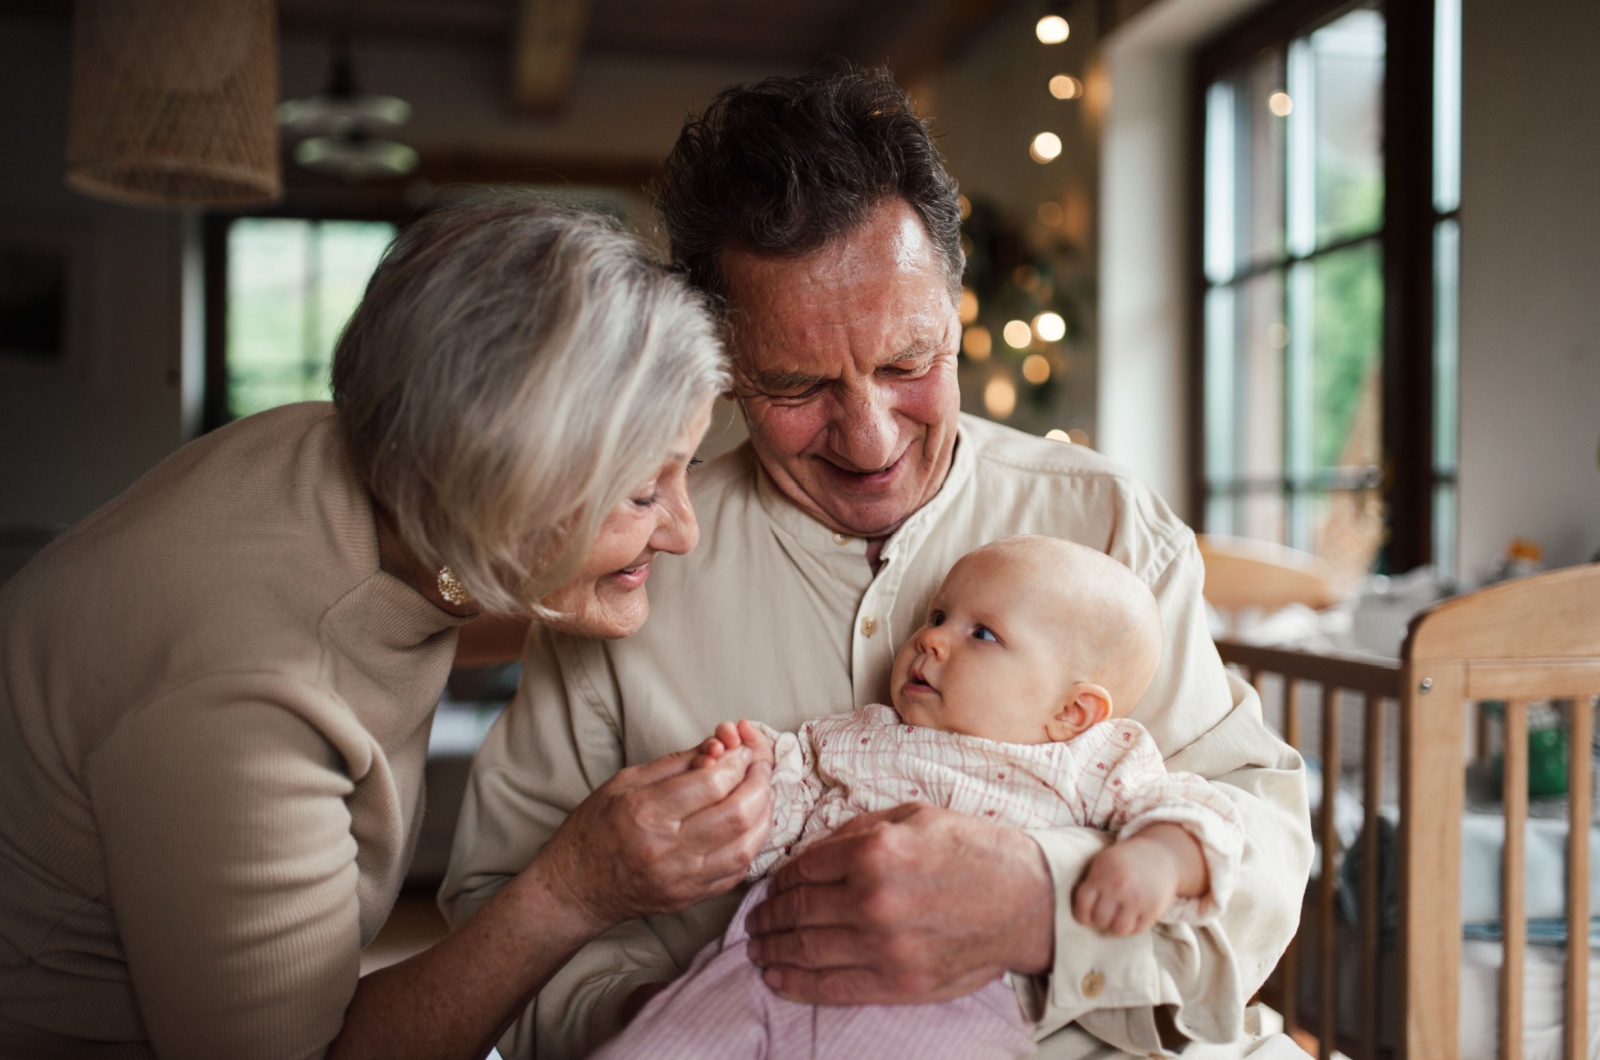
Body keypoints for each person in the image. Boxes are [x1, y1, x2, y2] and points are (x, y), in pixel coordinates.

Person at [441, 69, 1313, 1059]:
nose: (866, 438)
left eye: (907, 363)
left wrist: (1043, 904)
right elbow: (498, 907)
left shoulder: (1103, 521)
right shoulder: (633, 561)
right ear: (721, 360)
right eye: (796, 384)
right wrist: (680, 1019)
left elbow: (1259, 849)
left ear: (955, 303)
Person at [0, 199, 775, 1060]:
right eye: (640, 495)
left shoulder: (343, 456)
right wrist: (577, 887)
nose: (683, 529)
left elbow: (421, 613)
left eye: (687, 469)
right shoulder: (246, 706)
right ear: (499, 490)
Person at [592, 536, 1246, 1060]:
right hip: (763, 964)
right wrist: (748, 771)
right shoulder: (863, 736)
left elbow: (1196, 808)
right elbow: (780, 815)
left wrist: (1157, 860)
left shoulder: (1089, 761)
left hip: (944, 1004)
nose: (932, 638)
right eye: (938, 617)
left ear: (1072, 712)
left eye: (982, 634)